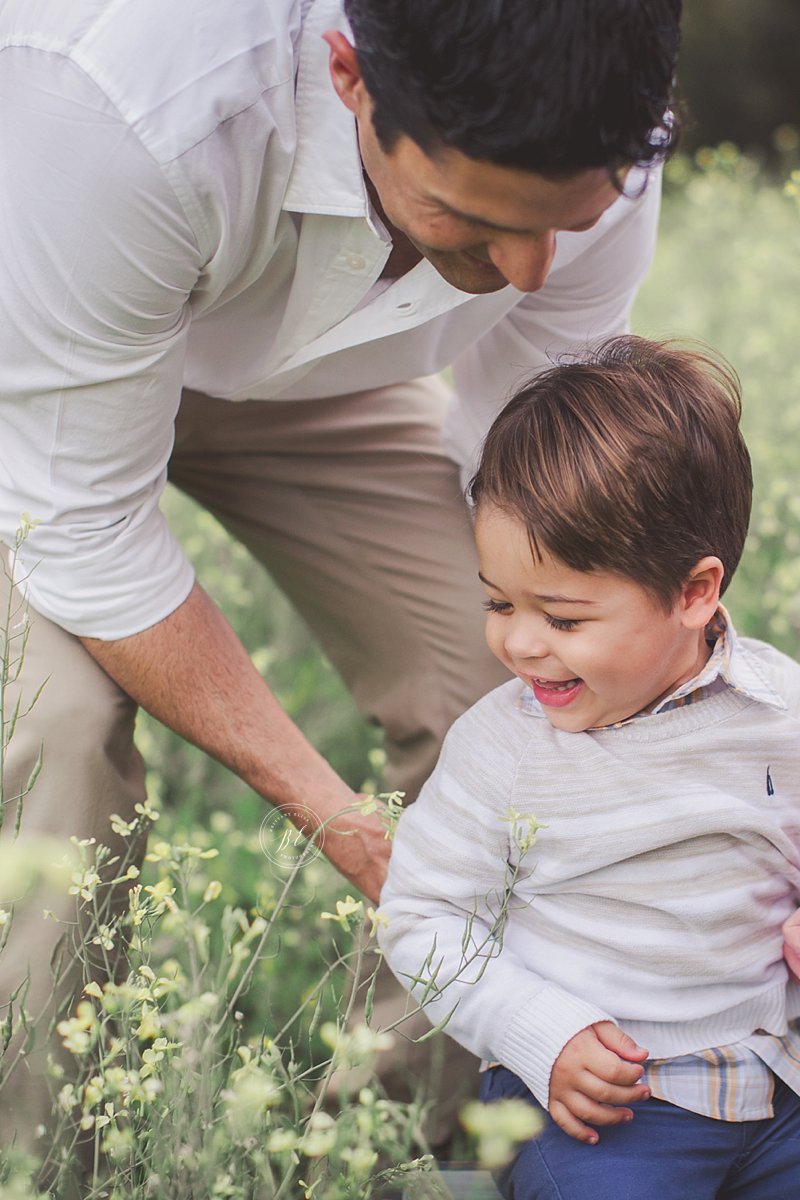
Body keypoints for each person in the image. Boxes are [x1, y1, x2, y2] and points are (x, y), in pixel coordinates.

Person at [0, 0, 681, 1149]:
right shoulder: (121, 106)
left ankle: (370, 1152)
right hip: (42, 336)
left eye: (562, 222)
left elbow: (540, 503)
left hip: (307, 368)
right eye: (469, 215)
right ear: (348, 76)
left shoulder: (596, 122)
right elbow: (90, 540)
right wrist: (349, 829)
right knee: (55, 729)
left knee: (533, 688)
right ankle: (45, 1156)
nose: (524, 268)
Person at [379, 336, 800, 1199]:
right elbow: (423, 914)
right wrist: (539, 1030)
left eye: (564, 618)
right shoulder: (504, 745)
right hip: (599, 1107)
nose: (519, 644)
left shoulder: (779, 712)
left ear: (693, 593)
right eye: (498, 602)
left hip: (778, 1081)